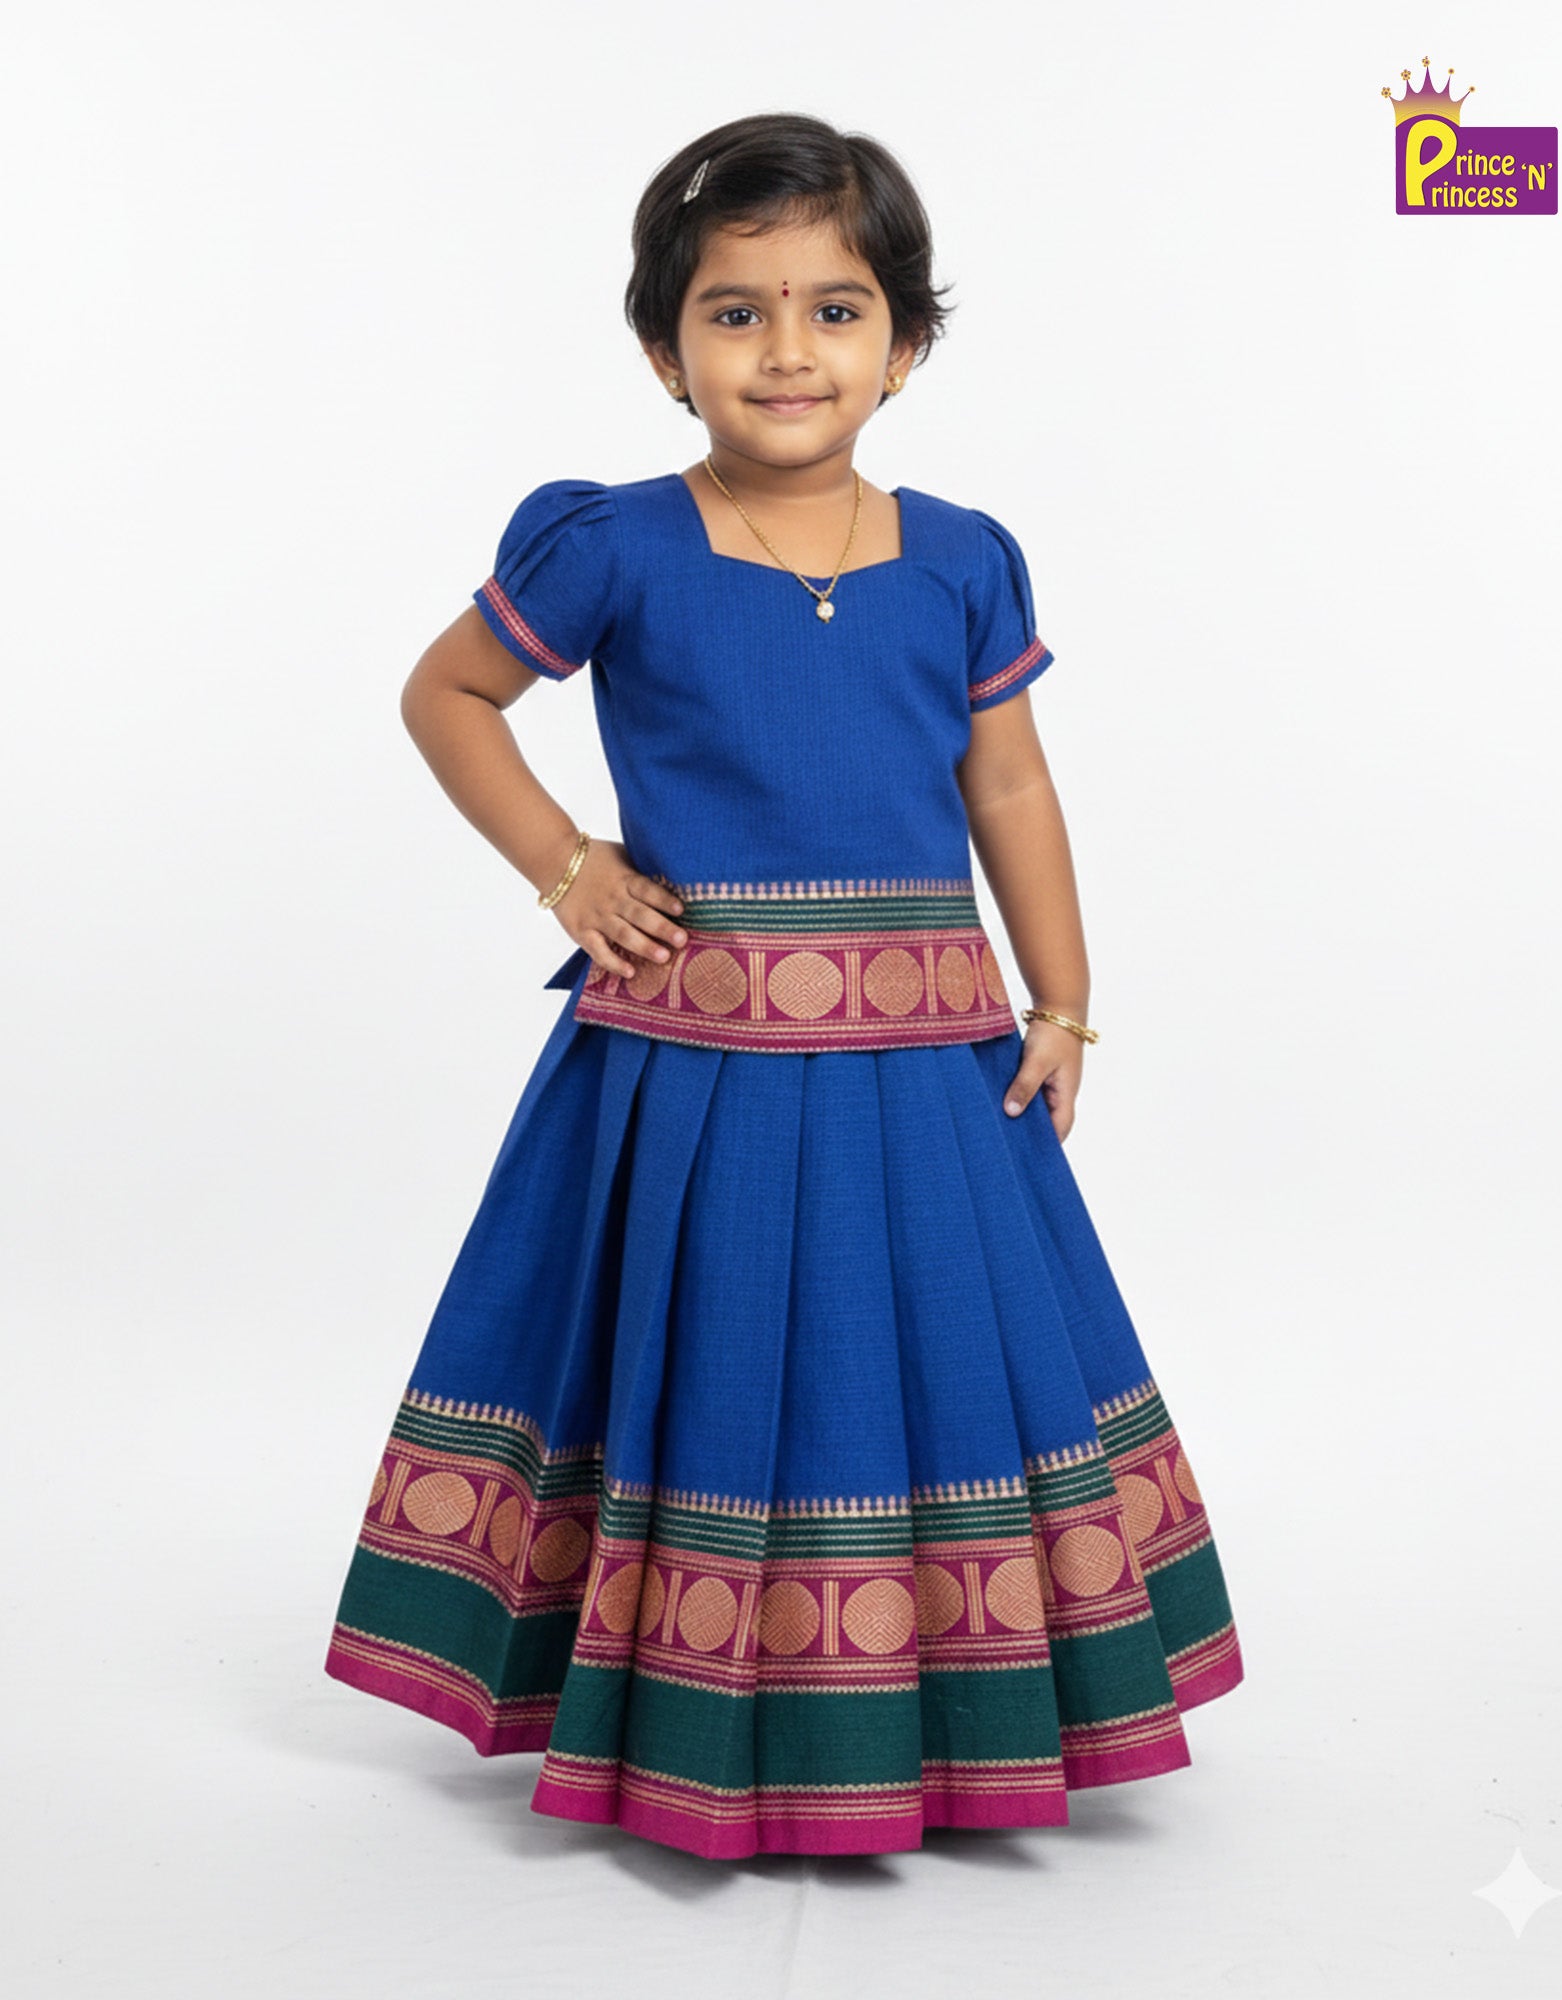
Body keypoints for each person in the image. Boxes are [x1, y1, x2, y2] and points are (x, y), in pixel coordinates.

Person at [323, 111, 1244, 1863]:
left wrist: (1062, 1003)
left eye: (836, 309)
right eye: (735, 312)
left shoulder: (962, 556)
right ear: (664, 351)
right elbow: (447, 695)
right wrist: (569, 867)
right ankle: (688, 1717)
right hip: (697, 1067)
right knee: (721, 1355)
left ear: (905, 346)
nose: (788, 349)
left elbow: (1009, 786)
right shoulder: (612, 545)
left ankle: (946, 1719)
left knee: (939, 1356)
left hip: (931, 1065)